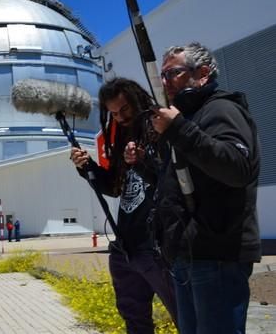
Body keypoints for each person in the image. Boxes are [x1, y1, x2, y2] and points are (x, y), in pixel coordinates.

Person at [149, 42, 260, 334]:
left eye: (172, 73)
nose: (164, 82)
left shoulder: (222, 109)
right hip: (187, 253)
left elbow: (237, 168)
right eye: (162, 76)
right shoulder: (185, 120)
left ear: (202, 73)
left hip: (217, 254)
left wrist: (178, 130)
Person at [70, 77, 177, 334]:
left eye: (124, 109)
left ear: (137, 100)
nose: (120, 117)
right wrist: (88, 168)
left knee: (183, 314)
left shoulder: (161, 128)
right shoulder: (121, 137)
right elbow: (115, 188)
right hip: (125, 246)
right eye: (113, 113)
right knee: (135, 320)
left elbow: (173, 179)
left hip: (156, 247)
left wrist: (144, 161)